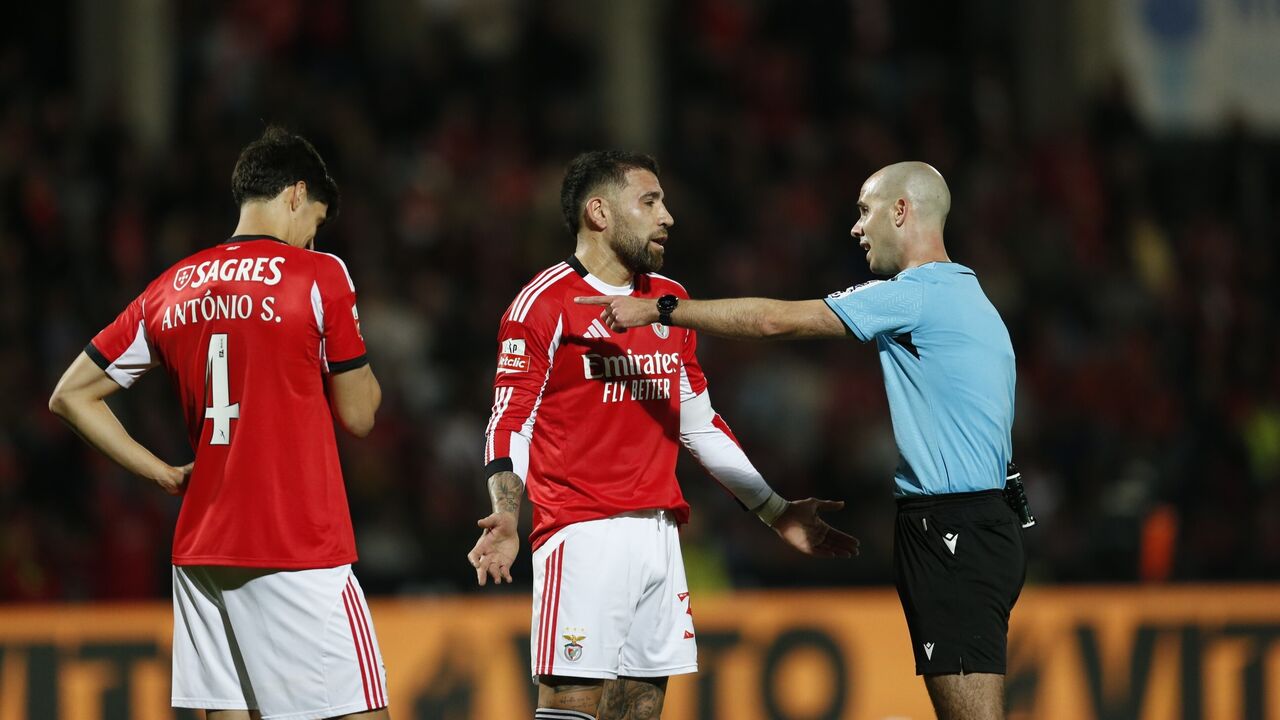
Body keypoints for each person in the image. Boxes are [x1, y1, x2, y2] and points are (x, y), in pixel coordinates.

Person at [577, 161, 1024, 720]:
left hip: (954, 527)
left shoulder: (916, 294)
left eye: (865, 211)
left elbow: (774, 322)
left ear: (902, 211)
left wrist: (661, 309)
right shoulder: (969, 293)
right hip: (977, 521)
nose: (857, 228)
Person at [466, 150, 858, 720]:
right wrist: (506, 510)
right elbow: (510, 418)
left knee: (642, 708)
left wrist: (775, 511)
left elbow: (699, 424)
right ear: (599, 212)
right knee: (571, 704)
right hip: (581, 533)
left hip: (659, 535)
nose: (667, 216)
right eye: (649, 202)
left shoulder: (666, 302)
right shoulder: (543, 304)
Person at [48, 127, 390, 720]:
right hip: (294, 542)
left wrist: (159, 473)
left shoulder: (170, 287)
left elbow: (70, 395)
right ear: (295, 194)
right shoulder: (318, 274)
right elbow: (360, 415)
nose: (313, 235)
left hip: (202, 547)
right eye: (315, 218)